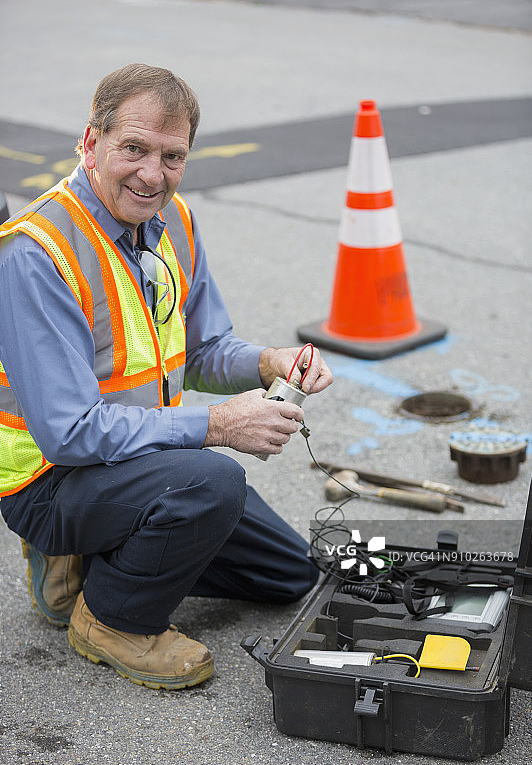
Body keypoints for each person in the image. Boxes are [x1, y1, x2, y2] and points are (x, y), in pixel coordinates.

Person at [0, 63, 333, 691]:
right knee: (211, 482)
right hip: (50, 479)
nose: (153, 174)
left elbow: (204, 349)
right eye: (134, 148)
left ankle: (95, 560)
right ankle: (112, 619)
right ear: (90, 142)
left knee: (290, 574)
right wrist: (217, 423)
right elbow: (70, 433)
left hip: (135, 462)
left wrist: (268, 362)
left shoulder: (172, 220)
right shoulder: (35, 253)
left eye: (172, 155)